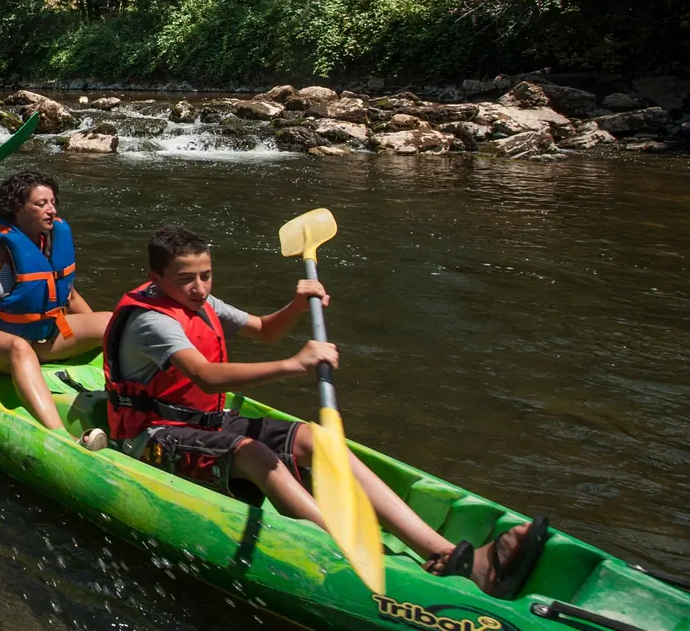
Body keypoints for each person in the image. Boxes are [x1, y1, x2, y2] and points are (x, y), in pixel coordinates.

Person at [102, 225, 549, 598]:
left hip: (204, 422)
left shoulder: (200, 302)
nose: (200, 287)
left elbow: (266, 331)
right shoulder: (152, 321)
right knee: (257, 454)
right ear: (156, 278)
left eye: (206, 275)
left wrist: (297, 306)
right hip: (151, 438)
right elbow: (205, 376)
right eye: (187, 279)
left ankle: (445, 553)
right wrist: (293, 365)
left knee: (319, 439)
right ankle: (357, 554)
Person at [0, 170, 110, 429]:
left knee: (112, 322)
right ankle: (58, 433)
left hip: (42, 337)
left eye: (53, 202)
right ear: (18, 209)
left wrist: (94, 336)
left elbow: (67, 293)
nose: (51, 210)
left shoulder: (51, 238)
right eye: (41, 204)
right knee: (18, 348)